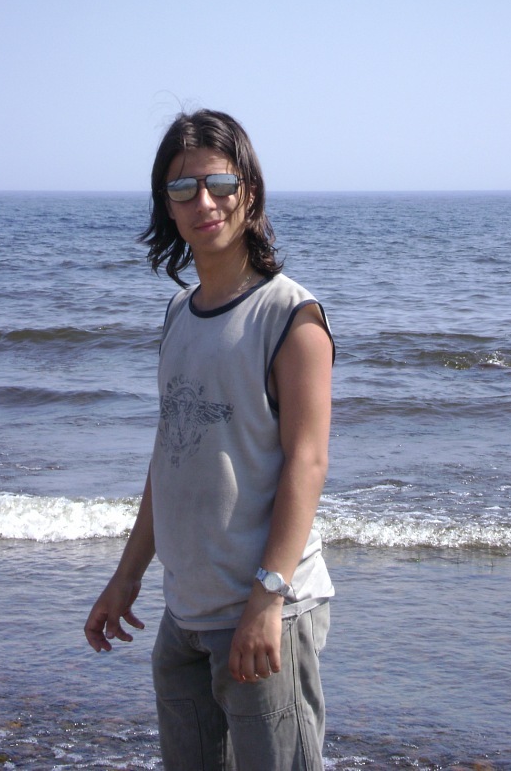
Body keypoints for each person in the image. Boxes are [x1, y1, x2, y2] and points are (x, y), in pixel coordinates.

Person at [84, 109, 335, 771]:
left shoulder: (291, 316)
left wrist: (267, 598)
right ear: (165, 205)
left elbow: (307, 463)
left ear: (249, 192)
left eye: (220, 184)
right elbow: (170, 459)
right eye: (182, 188)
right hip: (185, 618)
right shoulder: (178, 314)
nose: (204, 202)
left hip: (265, 615)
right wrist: (126, 578)